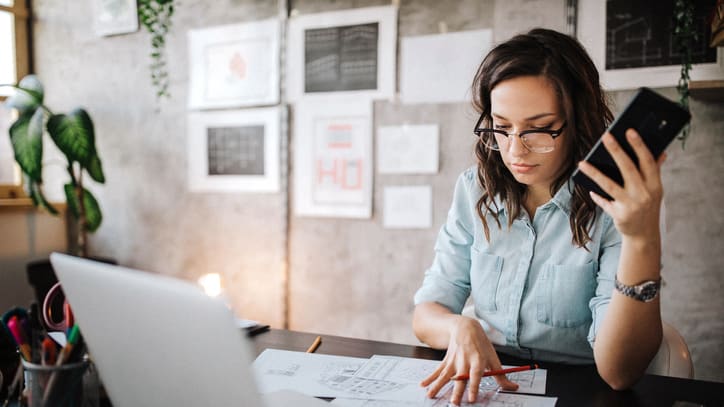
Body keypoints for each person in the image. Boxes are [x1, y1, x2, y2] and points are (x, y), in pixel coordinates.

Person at [412, 28, 665, 405]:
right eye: (502, 127)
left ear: (577, 121)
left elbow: (619, 373)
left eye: (540, 129)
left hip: (581, 390)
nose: (515, 150)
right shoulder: (475, 190)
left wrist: (642, 239)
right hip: (491, 387)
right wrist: (459, 327)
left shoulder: (614, 206)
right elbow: (427, 312)